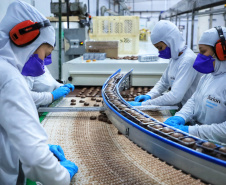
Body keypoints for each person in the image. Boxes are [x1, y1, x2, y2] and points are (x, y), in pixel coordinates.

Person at [0, 1, 77, 184]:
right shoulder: (10, 79)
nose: (43, 63)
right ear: (25, 38)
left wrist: (24, 149)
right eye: (45, 52)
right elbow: (36, 162)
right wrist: (62, 175)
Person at [164, 26, 226, 143]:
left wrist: (191, 131)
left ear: (222, 51)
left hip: (217, 149)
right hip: (197, 140)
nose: (199, 56)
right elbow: (194, 100)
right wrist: (181, 116)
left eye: (203, 51)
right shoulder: (208, 76)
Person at [128, 20, 202, 107]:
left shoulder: (188, 60)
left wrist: (144, 104)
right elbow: (163, 82)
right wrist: (150, 95)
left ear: (171, 41)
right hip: (181, 107)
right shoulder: (175, 58)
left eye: (160, 47)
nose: (160, 51)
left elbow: (175, 96)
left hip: (191, 111)